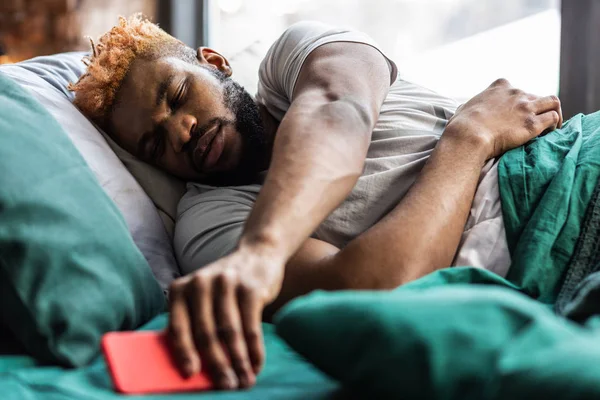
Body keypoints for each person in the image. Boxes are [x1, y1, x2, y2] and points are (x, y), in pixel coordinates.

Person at [69, 14, 562, 390]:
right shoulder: (209, 225)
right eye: (155, 145)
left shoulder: (296, 54)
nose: (181, 131)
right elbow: (374, 288)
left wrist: (264, 250)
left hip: (568, 158)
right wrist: (470, 137)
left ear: (213, 62)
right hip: (540, 232)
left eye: (178, 95)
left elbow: (336, 110)